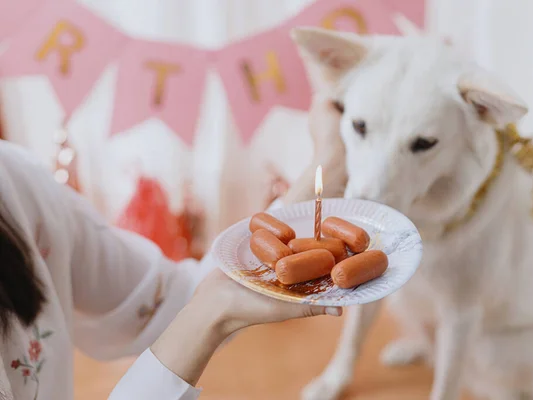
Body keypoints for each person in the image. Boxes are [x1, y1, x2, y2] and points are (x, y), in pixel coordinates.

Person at [0, 95, 348, 399]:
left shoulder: (14, 181)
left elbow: (172, 300)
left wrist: (327, 170)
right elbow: (198, 309)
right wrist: (207, 317)